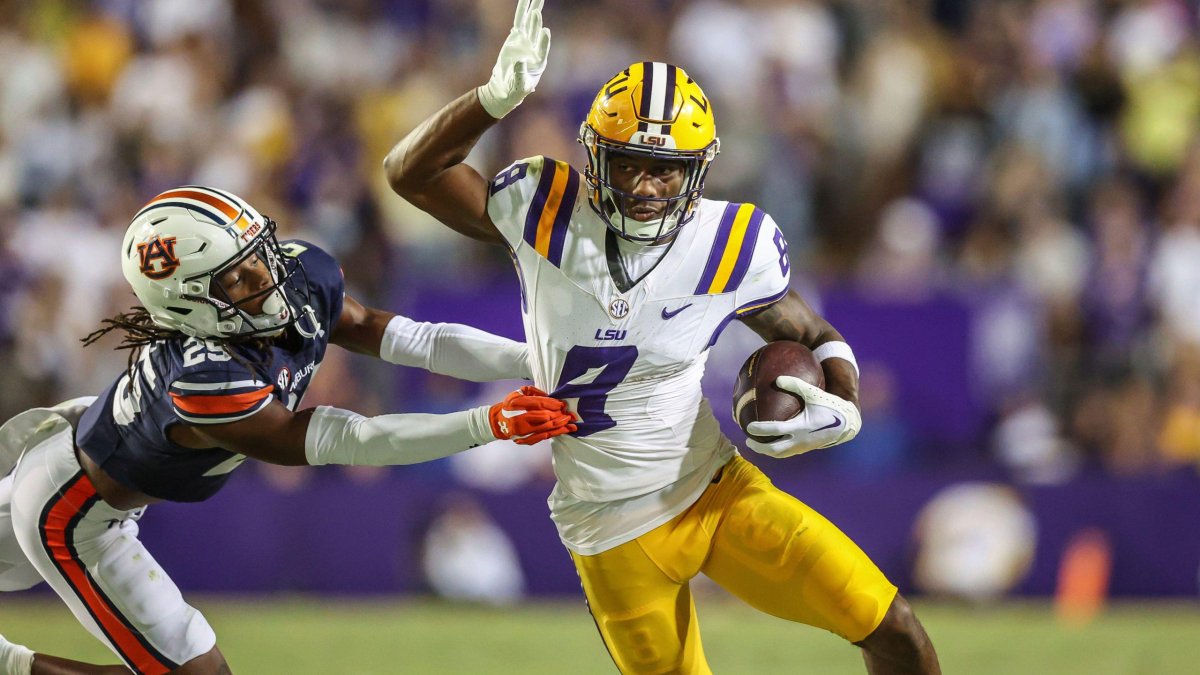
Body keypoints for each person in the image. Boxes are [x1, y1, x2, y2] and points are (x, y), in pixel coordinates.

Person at [383, 1, 941, 673]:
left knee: (896, 629)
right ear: (594, 158)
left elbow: (811, 330)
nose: (647, 186)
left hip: (716, 488)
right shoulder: (545, 210)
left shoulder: (730, 241)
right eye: (628, 165)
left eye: (667, 168)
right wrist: (493, 100)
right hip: (609, 526)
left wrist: (843, 403)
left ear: (699, 170)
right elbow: (409, 173)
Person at [0, 184, 575, 675]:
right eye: (238, 277)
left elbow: (407, 338)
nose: (267, 276)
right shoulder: (207, 382)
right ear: (191, 306)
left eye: (258, 253)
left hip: (77, 448)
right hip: (76, 510)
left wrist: (536, 359)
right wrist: (486, 422)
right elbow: (351, 439)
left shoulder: (291, 274)